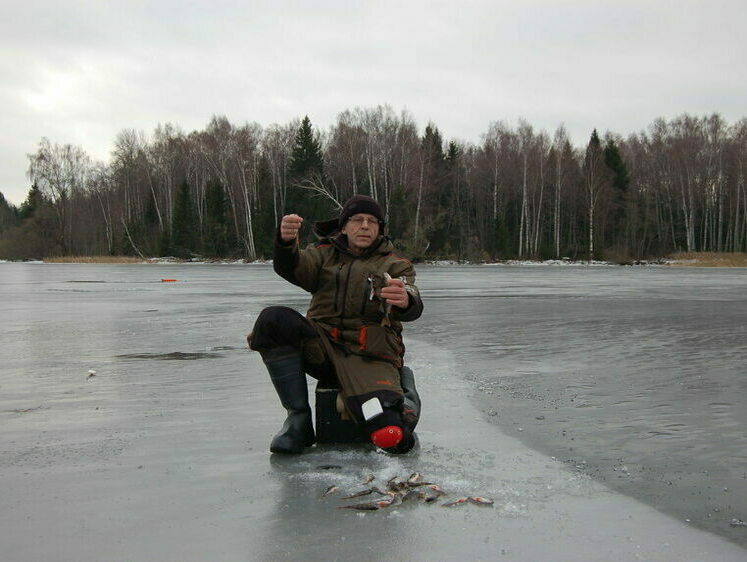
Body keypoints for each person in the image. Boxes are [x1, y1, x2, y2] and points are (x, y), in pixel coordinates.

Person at [248, 194, 423, 455]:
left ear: (380, 229)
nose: (365, 226)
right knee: (272, 320)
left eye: (372, 221)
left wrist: (405, 300)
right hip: (322, 348)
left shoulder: (396, 265)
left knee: (392, 437)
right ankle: (298, 419)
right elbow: (292, 266)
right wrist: (286, 242)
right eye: (357, 220)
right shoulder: (323, 255)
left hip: (369, 357)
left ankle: (404, 394)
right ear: (343, 226)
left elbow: (412, 301)